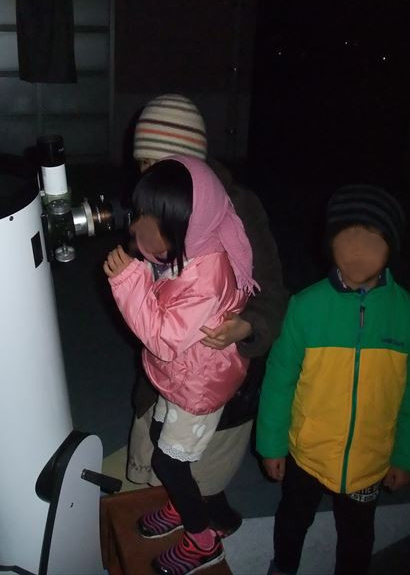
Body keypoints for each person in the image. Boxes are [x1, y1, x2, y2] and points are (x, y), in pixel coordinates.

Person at [256, 185, 410, 575]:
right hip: (306, 453)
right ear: (329, 243)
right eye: (346, 239)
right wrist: (271, 444)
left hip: (369, 460)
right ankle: (283, 567)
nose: (357, 252)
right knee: (292, 519)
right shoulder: (305, 307)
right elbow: (279, 379)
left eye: (371, 241)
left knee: (357, 536)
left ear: (391, 248)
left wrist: (408, 457)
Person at [128, 93, 288, 535]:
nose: (145, 173)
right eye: (142, 164)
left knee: (200, 474)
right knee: (164, 450)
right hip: (170, 363)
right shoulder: (158, 198)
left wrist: (248, 324)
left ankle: (213, 527)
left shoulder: (237, 207)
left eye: (155, 163)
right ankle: (180, 508)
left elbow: (272, 290)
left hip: (219, 374)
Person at [104, 155, 258, 575]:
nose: (141, 230)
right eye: (141, 215)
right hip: (180, 376)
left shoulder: (207, 276)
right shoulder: (187, 247)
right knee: (160, 438)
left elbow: (164, 339)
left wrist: (128, 282)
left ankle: (203, 541)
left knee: (169, 463)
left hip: (199, 385)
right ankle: (178, 504)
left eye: (156, 224)